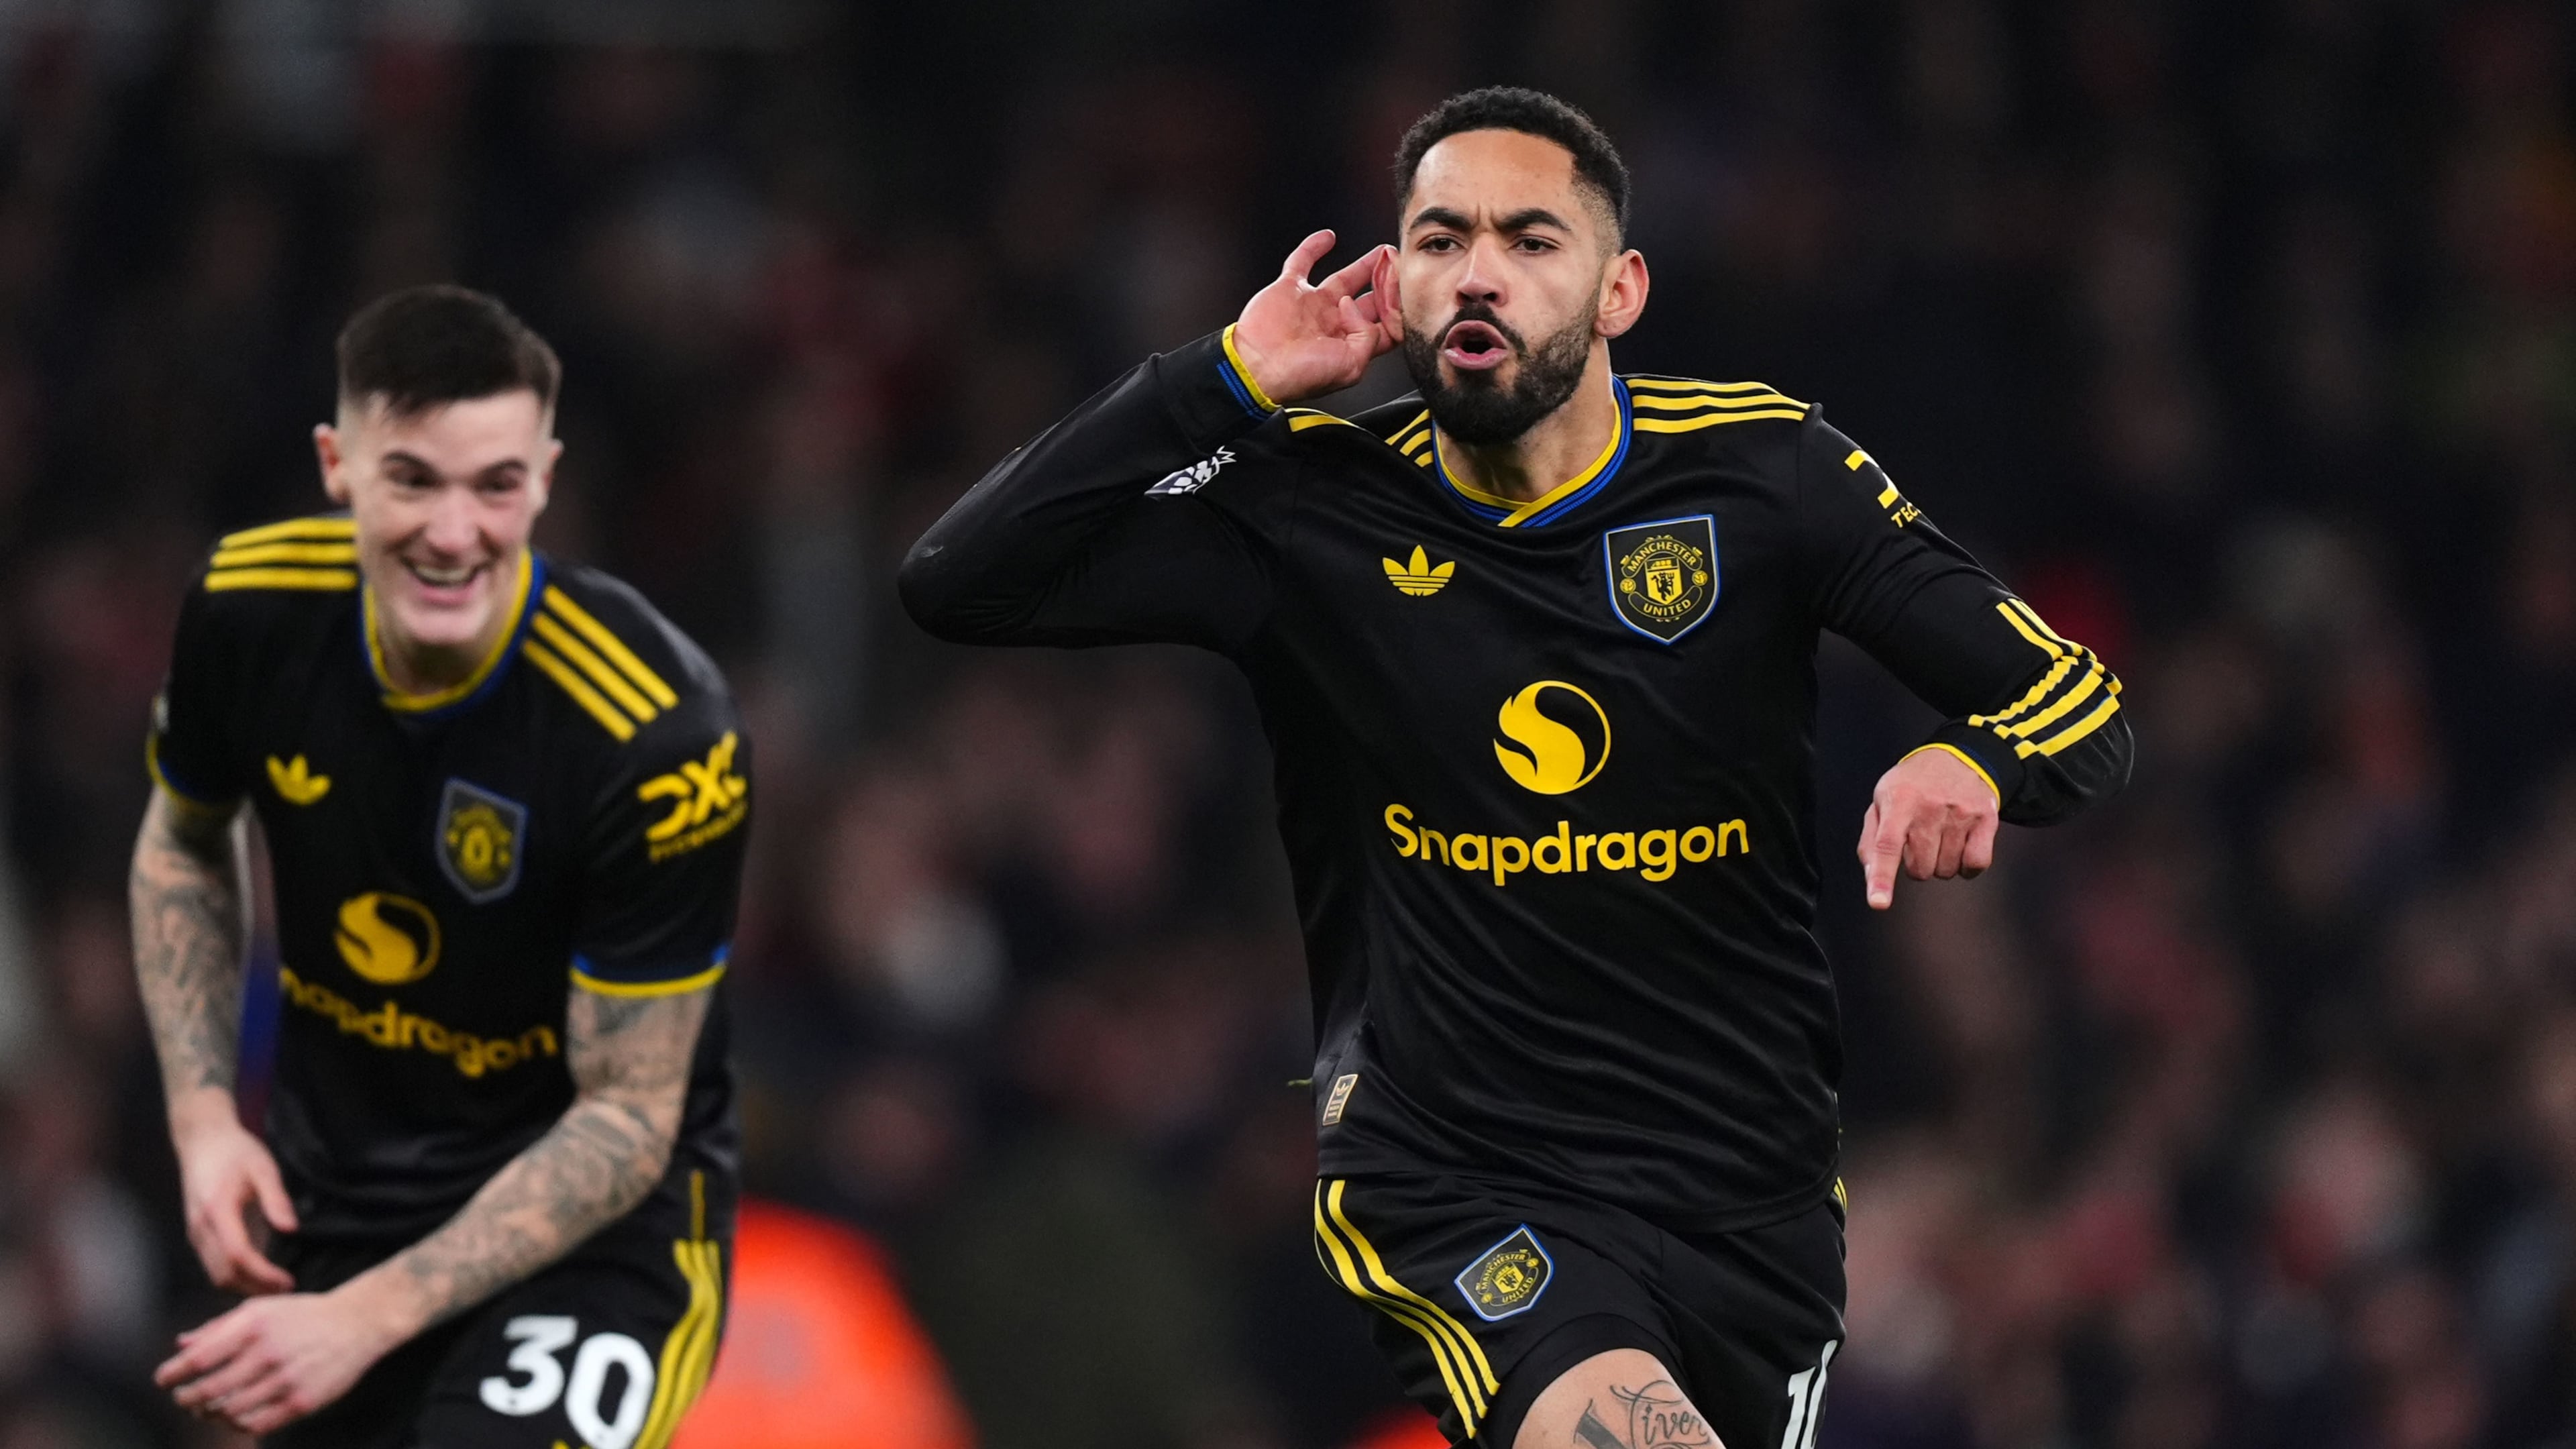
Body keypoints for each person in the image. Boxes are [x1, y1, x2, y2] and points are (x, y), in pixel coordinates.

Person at [900, 87, 2131, 1449]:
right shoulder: (1310, 505)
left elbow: (2076, 707)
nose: (1477, 271)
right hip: (1467, 1184)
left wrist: (1978, 757)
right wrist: (1221, 379)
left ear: (1621, 290)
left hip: (1751, 1204)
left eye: (1531, 240)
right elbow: (963, 579)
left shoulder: (1766, 475)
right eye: (1438, 239)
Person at [130, 285, 751, 1448]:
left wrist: (361, 1321)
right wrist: (205, 1120)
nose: (454, 533)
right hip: (342, 1208)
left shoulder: (658, 734)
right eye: (413, 478)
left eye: (496, 485)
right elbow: (184, 836)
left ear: (546, 481)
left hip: (599, 1244)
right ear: (338, 464)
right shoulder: (248, 609)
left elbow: (627, 1118)